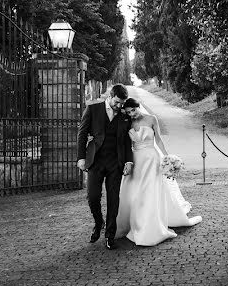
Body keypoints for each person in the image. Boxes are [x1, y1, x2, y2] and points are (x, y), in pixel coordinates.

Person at [115, 98, 202, 246]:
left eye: (133, 110)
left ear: (138, 107)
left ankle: (151, 225)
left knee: (151, 191)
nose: (132, 114)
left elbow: (159, 140)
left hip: (151, 159)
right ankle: (136, 223)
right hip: (136, 160)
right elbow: (125, 145)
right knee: (135, 193)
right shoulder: (127, 122)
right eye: (129, 112)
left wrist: (167, 156)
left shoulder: (151, 119)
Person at [77, 84, 134, 250]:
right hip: (95, 161)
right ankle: (98, 222)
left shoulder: (124, 116)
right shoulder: (93, 109)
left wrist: (129, 161)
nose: (118, 106)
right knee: (93, 197)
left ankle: (110, 235)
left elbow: (126, 141)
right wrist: (81, 157)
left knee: (113, 199)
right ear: (110, 95)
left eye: (121, 104)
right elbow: (82, 133)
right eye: (116, 102)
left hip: (115, 163)